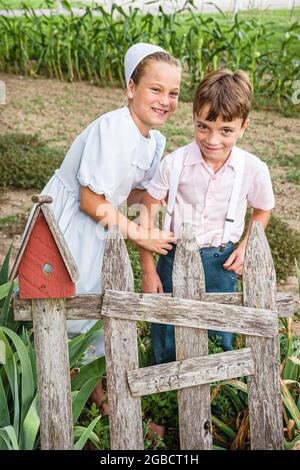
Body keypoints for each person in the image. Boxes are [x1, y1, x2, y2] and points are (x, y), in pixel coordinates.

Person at [36, 43, 181, 406]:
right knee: (72, 310)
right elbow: (89, 199)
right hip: (70, 222)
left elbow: (132, 194)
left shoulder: (153, 141)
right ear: (131, 89)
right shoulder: (112, 128)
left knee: (101, 308)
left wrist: (163, 203)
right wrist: (139, 235)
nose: (165, 99)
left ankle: (95, 394)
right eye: (156, 89)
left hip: (102, 223)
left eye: (174, 92)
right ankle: (64, 396)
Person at [139, 69, 275, 365]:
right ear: (194, 119)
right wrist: (148, 269)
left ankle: (215, 396)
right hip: (173, 259)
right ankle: (165, 400)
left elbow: (262, 210)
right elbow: (146, 211)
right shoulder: (174, 164)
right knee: (166, 332)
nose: (212, 139)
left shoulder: (253, 169)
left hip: (220, 262)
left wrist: (246, 244)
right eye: (203, 127)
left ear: (244, 127)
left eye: (226, 130)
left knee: (217, 335)